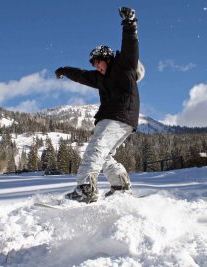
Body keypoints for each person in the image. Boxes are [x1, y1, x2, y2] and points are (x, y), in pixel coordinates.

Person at [55, 7, 144, 203]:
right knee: (104, 155)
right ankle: (120, 185)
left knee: (95, 149)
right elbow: (81, 75)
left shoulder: (123, 66)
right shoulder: (100, 78)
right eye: (94, 64)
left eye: (98, 62)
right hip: (122, 119)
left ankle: (86, 189)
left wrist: (129, 22)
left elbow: (130, 44)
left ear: (107, 58)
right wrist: (64, 70)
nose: (96, 67)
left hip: (118, 115)